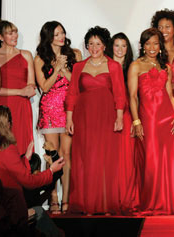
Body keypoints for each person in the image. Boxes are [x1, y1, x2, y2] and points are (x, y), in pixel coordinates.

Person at [65, 26, 127, 215]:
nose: (94, 47)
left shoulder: (114, 66)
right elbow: (72, 94)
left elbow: (119, 93)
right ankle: (87, 204)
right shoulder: (78, 67)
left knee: (105, 159)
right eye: (90, 44)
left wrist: (119, 117)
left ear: (104, 45)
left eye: (98, 44)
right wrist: (69, 118)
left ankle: (105, 204)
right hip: (83, 118)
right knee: (86, 158)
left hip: (107, 117)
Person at [0, 105, 65, 236]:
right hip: (7, 211)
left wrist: (25, 159)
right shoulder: (7, 149)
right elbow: (28, 181)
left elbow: (9, 172)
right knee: (39, 213)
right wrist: (51, 170)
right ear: (7, 124)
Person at [129, 28, 174, 215]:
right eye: (148, 43)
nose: (152, 47)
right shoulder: (135, 65)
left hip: (167, 118)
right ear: (143, 46)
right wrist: (136, 121)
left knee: (166, 161)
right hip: (148, 119)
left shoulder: (166, 67)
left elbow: (170, 95)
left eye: (155, 43)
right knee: (151, 161)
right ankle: (150, 203)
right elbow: (133, 97)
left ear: (160, 46)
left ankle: (167, 204)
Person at [34, 20, 81, 214]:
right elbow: (44, 87)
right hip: (50, 109)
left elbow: (77, 83)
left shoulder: (75, 54)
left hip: (69, 109)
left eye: (62, 32)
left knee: (67, 154)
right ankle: (53, 196)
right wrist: (55, 68)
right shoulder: (40, 59)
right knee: (52, 155)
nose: (61, 36)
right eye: (56, 34)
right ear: (48, 37)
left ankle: (67, 198)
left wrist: (64, 68)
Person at [0, 20, 36, 156]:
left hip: (21, 106)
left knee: (21, 144)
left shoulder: (26, 54)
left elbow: (31, 84)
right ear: (1, 37)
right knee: (1, 145)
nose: (15, 36)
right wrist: (21, 91)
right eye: (10, 33)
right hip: (0, 106)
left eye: (15, 32)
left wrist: (29, 89)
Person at [107, 32, 138, 213]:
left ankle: (126, 198)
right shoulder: (104, 67)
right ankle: (110, 198)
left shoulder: (132, 68)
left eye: (124, 45)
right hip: (108, 116)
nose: (120, 49)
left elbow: (135, 97)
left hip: (126, 116)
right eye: (116, 45)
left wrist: (135, 120)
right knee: (110, 160)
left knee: (127, 159)